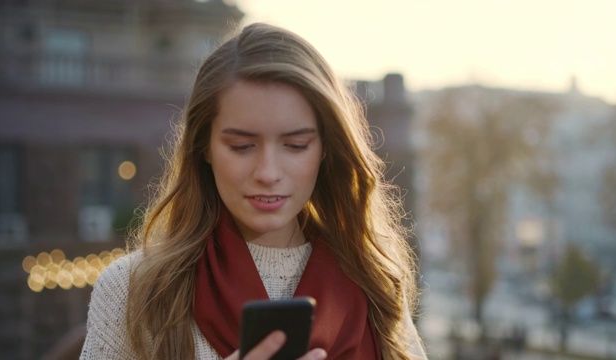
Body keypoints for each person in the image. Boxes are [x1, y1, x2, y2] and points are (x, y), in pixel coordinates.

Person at [80, 22, 428, 360]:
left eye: (295, 145)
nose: (268, 173)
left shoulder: (373, 282)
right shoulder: (133, 290)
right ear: (204, 146)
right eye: (242, 146)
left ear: (325, 148)